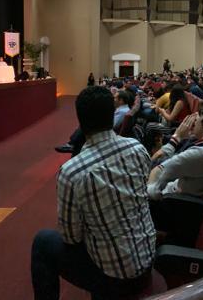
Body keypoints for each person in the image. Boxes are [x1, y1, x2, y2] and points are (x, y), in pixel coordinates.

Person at [30, 86, 155, 300]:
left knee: (43, 242)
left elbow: (71, 237)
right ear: (111, 114)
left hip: (113, 279)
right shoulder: (138, 148)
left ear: (80, 122)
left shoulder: (72, 171)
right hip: (147, 263)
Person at [147, 102, 203, 200]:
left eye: (199, 115)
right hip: (171, 189)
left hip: (169, 201)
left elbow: (159, 171)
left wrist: (177, 137)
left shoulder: (201, 153)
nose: (194, 119)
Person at [55, 90, 135, 154]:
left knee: (88, 124)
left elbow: (113, 125)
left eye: (115, 98)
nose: (113, 100)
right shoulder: (123, 109)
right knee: (87, 124)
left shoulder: (122, 112)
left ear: (121, 101)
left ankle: (72, 144)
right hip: (109, 130)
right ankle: (72, 144)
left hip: (109, 133)